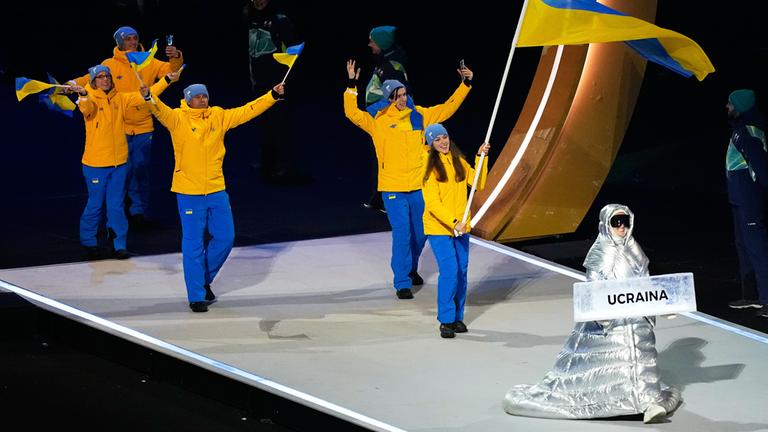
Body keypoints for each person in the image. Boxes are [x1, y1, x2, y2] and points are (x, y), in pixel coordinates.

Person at [502, 204, 681, 423]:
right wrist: (604, 316)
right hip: (610, 320)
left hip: (636, 317)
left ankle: (647, 402)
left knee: (640, 360)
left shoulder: (633, 248)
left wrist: (661, 305)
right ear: (606, 224)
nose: (622, 227)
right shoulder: (602, 251)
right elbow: (594, 286)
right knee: (613, 362)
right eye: (616, 223)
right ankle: (635, 402)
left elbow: (645, 281)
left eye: (625, 222)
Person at [148, 81, 285, 313]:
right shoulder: (177, 118)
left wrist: (271, 96)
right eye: (197, 96)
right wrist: (148, 98)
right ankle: (196, 296)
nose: (202, 99)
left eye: (205, 96)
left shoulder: (218, 116)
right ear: (188, 99)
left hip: (215, 189)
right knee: (193, 244)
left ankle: (202, 280)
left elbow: (246, 111)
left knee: (226, 237)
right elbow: (158, 109)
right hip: (189, 192)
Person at [344, 59, 473, 300]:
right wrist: (352, 85)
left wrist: (465, 84)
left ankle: (411, 268)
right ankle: (402, 281)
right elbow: (351, 113)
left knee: (420, 234)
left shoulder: (419, 116)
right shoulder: (377, 120)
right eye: (398, 95)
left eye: (404, 94)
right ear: (389, 97)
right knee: (402, 234)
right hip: (392, 188)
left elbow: (447, 108)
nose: (403, 99)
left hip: (417, 186)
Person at [68, 26, 184, 227]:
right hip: (118, 126)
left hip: (143, 126)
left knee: (140, 169)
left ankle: (139, 213)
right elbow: (89, 79)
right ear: (119, 42)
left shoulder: (147, 60)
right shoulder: (109, 64)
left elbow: (172, 72)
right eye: (128, 39)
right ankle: (124, 212)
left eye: (135, 38)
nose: (132, 42)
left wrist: (176, 58)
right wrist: (70, 84)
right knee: (124, 171)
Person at [67, 65, 175, 260]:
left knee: (116, 205)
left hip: (119, 164)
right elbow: (86, 109)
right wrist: (83, 94)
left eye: (107, 76)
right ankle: (89, 242)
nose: (105, 80)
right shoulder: (88, 97)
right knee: (95, 204)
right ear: (93, 81)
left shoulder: (121, 98)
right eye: (100, 77)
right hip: (95, 164)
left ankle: (118, 244)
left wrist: (166, 80)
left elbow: (145, 95)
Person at [421, 123, 489, 338]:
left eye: (445, 137)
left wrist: (481, 158)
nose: (443, 142)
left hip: (460, 228)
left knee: (461, 271)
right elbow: (432, 203)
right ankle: (446, 319)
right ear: (431, 143)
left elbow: (478, 183)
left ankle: (458, 317)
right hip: (440, 227)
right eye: (437, 139)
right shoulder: (429, 168)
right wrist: (453, 222)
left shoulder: (458, 161)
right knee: (449, 271)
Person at [243, 0, 308, 185]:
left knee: (281, 125)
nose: (259, 1)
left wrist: (285, 81)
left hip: (277, 82)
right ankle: (267, 163)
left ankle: (285, 166)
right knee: (263, 124)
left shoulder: (280, 20)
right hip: (258, 82)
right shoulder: (250, 18)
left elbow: (293, 51)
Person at [723, 89, 768, 318]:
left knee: (757, 247)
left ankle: (766, 298)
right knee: (744, 246)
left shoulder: (748, 131)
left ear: (739, 106)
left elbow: (760, 166)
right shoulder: (740, 129)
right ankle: (751, 294)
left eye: (730, 104)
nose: (726, 107)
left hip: (748, 197)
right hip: (739, 197)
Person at [362, 25, 411, 213]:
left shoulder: (392, 67)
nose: (369, 44)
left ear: (381, 43)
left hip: (389, 121)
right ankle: (379, 197)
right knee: (380, 158)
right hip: (381, 118)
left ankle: (386, 201)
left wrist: (392, 121)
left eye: (372, 41)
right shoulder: (385, 61)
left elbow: (401, 97)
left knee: (387, 160)